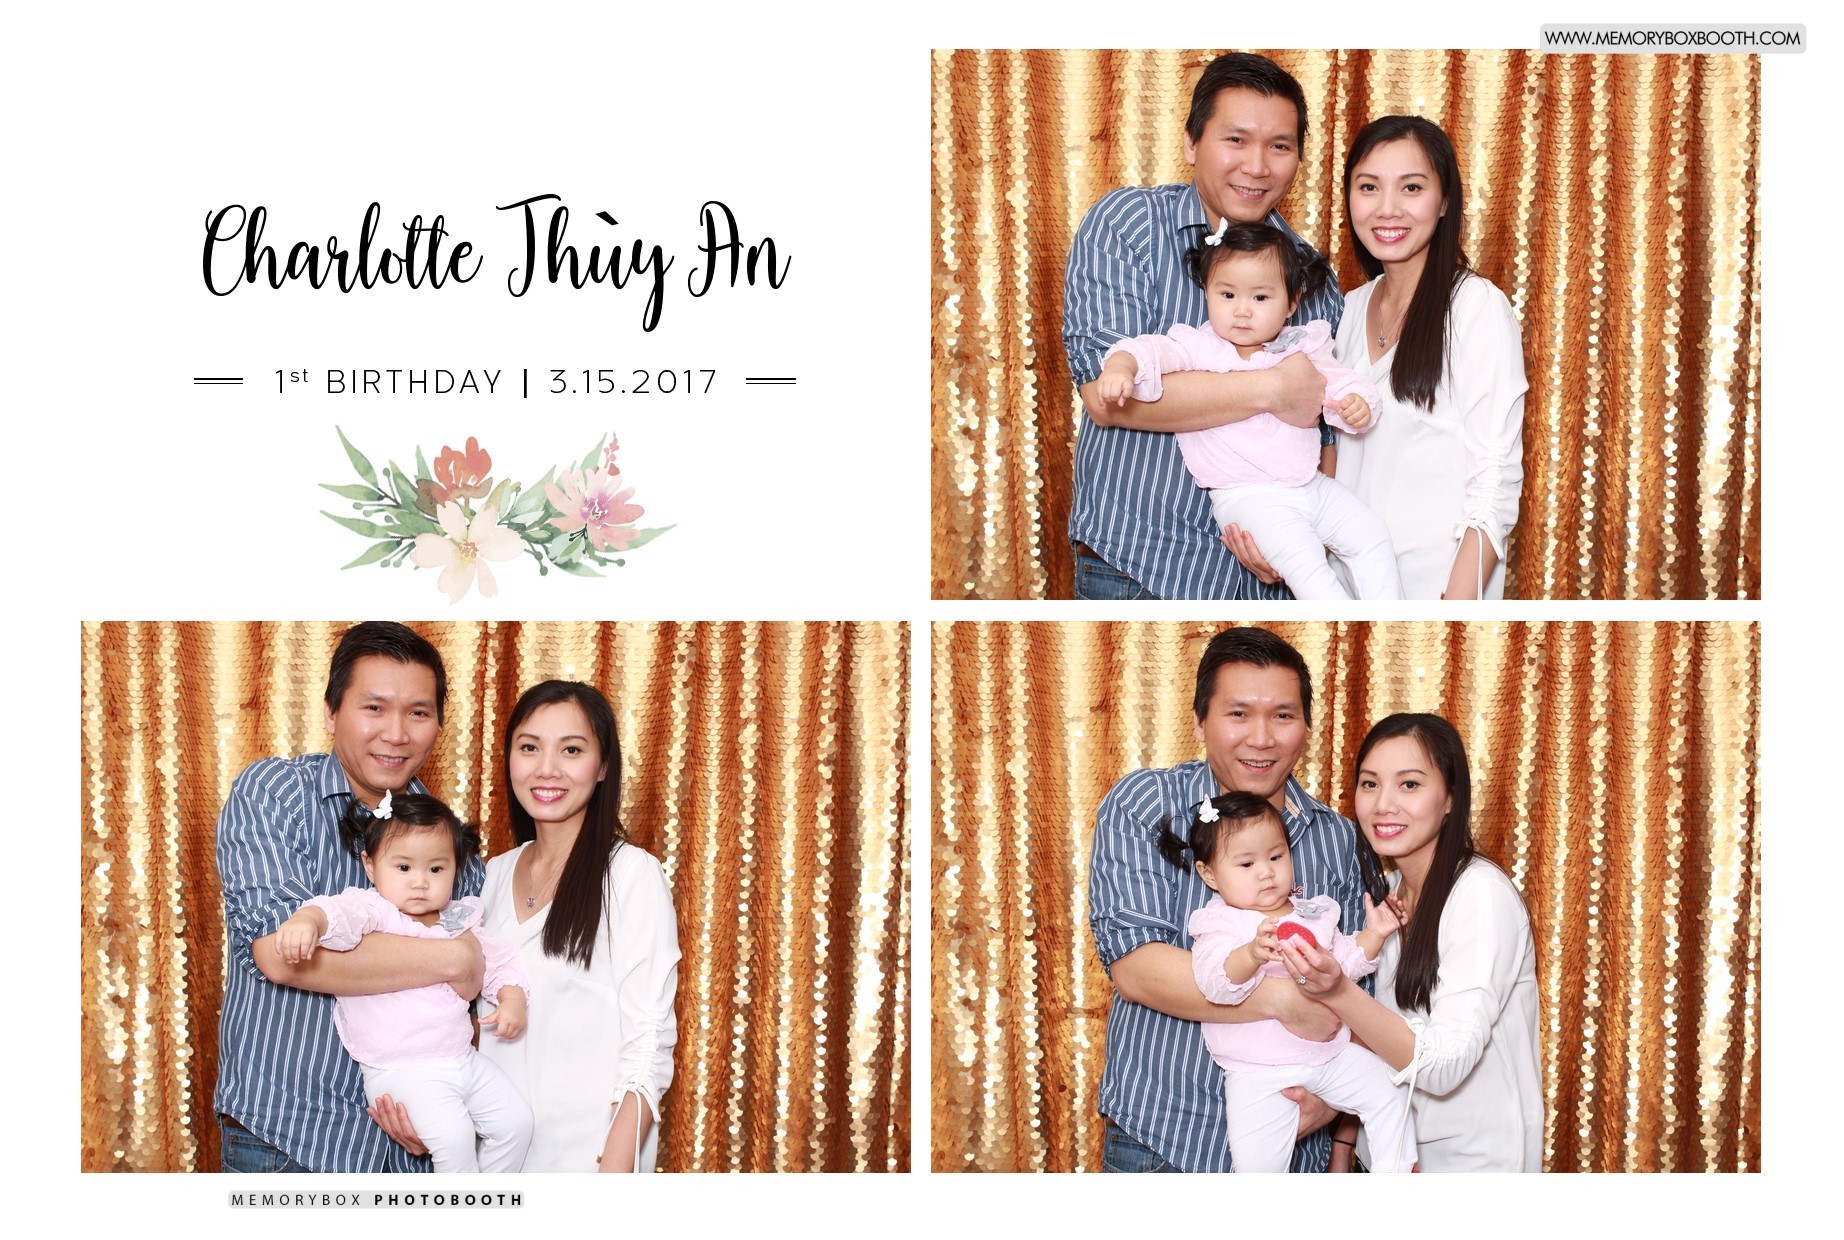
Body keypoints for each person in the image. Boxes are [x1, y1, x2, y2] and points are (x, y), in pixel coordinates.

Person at [1063, 52, 1344, 600]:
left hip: (1266, 574)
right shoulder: (1127, 226)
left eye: (1279, 146)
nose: (1257, 166)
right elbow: (1107, 397)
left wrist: (1306, 539)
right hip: (1139, 565)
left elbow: (1326, 434)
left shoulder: (1311, 275)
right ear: (1192, 142)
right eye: (1236, 140)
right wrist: (1273, 388)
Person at [1087, 627, 1365, 1173]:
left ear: (1306, 725)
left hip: (1299, 1145)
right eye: (1238, 714)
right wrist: (1281, 1000)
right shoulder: (1147, 804)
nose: (1261, 738)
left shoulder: (1336, 836)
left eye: (1283, 715)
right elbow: (1137, 969)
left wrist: (1336, 1112)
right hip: (1166, 1139)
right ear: (1200, 721)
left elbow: (1361, 986)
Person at [215, 621, 486, 1173]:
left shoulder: (450, 842)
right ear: (331, 711)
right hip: (289, 1137)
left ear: (439, 723)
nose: (396, 733)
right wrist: (455, 958)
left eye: (418, 712)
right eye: (374, 708)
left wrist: (439, 1106)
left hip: (408, 1141)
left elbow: (467, 1007)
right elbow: (283, 956)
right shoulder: (274, 793)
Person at [1231, 116, 1527, 598]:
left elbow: (1495, 480)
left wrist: (1450, 615)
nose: (1388, 209)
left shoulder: (1476, 307)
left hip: (1434, 595)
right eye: (1369, 187)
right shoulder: (1346, 310)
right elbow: (1321, 457)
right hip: (1344, 594)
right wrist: (1281, 541)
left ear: (1444, 200)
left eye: (1411, 188)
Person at [1282, 714, 1543, 1171]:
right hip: (1389, 1155)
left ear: (1450, 798)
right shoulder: (1388, 894)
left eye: (1409, 785)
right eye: (1370, 784)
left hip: (1471, 1165)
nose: (1383, 804)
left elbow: (1444, 1067)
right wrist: (1344, 1142)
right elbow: (1381, 1035)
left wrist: (1337, 992)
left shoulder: (1480, 894)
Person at [1095, 221, 1398, 600]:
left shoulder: (1301, 345)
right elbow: (1150, 350)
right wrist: (1121, 366)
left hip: (1311, 485)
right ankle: (1346, 623)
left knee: (1372, 537)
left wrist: (1356, 403)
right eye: (1227, 295)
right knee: (1310, 570)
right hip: (1249, 497)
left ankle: (1390, 619)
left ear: (1291, 302)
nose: (1241, 311)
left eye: (1260, 298)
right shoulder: (1200, 347)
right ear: (1207, 291)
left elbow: (1339, 382)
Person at [274, 792, 533, 1173]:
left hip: (462, 1058)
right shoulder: (374, 910)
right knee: (455, 1138)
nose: (420, 883)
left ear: (456, 868)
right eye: (404, 867)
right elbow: (336, 913)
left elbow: (497, 959)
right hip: (402, 1069)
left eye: (436, 869)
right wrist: (307, 921)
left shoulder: (456, 918)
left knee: (516, 1124)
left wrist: (512, 999)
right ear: (370, 865)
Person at [479, 681, 680, 1171]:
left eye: (571, 750)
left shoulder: (630, 874)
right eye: (529, 748)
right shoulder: (490, 876)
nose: (547, 768)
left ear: (603, 765)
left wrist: (609, 1178)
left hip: (585, 1164)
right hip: (491, 1164)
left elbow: (648, 1045)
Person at [1158, 790, 1415, 1172]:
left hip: (1329, 1055)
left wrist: (1373, 934)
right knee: (1258, 1167)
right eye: (1247, 863)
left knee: (1390, 1089)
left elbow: (1342, 966)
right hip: (1259, 1071)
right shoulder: (1221, 923)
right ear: (1209, 873)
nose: (1266, 872)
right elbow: (1214, 983)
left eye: (1276, 857)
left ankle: (1397, 1172)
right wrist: (1250, 955)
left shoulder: (1312, 912)